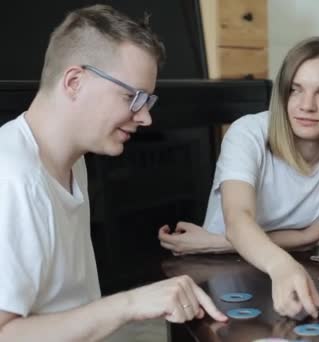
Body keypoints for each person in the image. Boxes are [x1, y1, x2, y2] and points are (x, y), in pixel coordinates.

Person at [0, 5, 227, 341]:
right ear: (74, 82)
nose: (145, 117)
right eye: (131, 97)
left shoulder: (71, 159)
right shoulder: (13, 181)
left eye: (147, 100)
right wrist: (130, 303)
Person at [159, 36, 319, 318]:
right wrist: (279, 265)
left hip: (284, 259)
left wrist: (215, 241)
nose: (306, 105)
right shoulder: (247, 133)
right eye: (295, 90)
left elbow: (309, 236)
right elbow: (238, 219)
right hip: (218, 266)